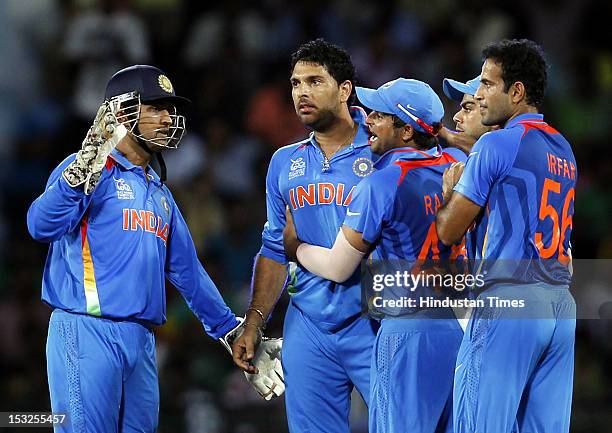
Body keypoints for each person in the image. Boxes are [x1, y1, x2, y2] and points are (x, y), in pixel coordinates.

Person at [27, 65, 282, 433]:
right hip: (87, 331)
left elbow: (187, 271)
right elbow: (40, 225)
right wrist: (80, 171)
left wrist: (229, 329)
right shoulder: (85, 171)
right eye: (156, 108)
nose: (168, 118)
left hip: (142, 339)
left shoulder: (158, 191)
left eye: (170, 109)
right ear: (122, 112)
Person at [283, 78, 466, 433]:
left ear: (406, 132)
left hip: (404, 331)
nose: (368, 120)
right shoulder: (456, 164)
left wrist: (296, 247)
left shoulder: (382, 182)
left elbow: (338, 268)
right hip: (455, 329)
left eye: (380, 115)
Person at [231, 39, 378, 433]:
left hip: (375, 320)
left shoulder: (383, 147)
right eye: (296, 84)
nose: (302, 93)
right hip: (308, 324)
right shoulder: (284, 162)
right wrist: (254, 322)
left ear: (345, 89)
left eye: (315, 81)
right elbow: (274, 249)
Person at [436, 39, 577, 433]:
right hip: (560, 306)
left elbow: (449, 230)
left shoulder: (496, 144)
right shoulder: (563, 148)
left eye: (486, 84)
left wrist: (449, 196)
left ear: (516, 92)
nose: (478, 95)